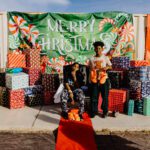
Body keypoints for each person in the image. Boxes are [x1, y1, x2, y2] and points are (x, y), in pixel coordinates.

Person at [89, 41, 112, 118]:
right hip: (94, 80)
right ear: (94, 49)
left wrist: (107, 67)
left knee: (105, 97)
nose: (98, 50)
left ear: (102, 49)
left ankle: (105, 111)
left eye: (99, 48)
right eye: (96, 48)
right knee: (94, 97)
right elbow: (89, 68)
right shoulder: (91, 59)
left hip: (104, 79)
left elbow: (110, 66)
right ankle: (93, 111)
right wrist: (91, 68)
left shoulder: (105, 58)